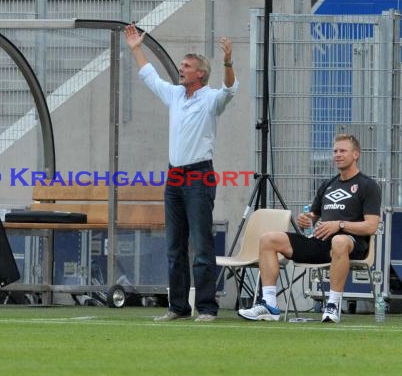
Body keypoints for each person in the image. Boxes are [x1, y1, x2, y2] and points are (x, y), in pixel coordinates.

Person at [124, 25, 239, 322]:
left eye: (187, 66)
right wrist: (137, 48)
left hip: (199, 176)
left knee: (202, 246)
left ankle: (207, 308)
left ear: (201, 73)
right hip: (174, 177)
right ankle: (177, 307)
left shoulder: (211, 99)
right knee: (174, 247)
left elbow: (229, 89)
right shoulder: (175, 95)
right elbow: (150, 77)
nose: (181, 69)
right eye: (182, 66)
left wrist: (227, 60)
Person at [238, 134, 381, 323]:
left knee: (339, 240)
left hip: (350, 245)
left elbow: (371, 226)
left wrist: (339, 225)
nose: (337, 155)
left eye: (343, 151)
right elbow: (313, 215)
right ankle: (269, 305)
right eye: (335, 151)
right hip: (320, 243)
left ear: (356, 154)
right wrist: (306, 219)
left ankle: (333, 304)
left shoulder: (367, 185)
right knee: (268, 239)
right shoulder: (327, 185)